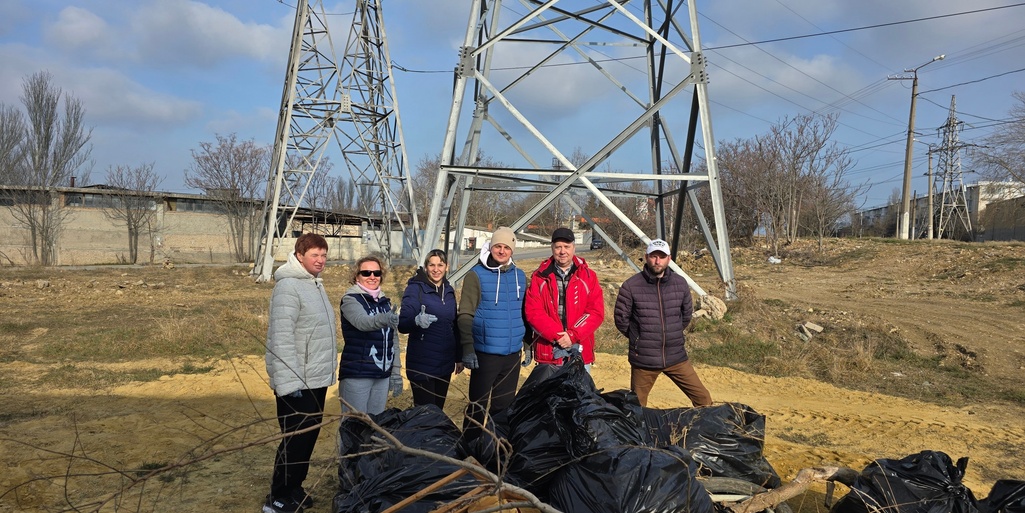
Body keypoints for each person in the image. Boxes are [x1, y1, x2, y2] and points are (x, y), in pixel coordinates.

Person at [264, 233, 335, 513]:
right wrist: (289, 382)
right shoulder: (289, 287)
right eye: (315, 255)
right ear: (300, 255)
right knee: (294, 440)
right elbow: (280, 339)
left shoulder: (314, 284)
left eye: (324, 255)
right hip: (297, 381)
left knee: (307, 438)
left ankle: (294, 488)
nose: (320, 260)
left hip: (315, 378)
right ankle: (278, 496)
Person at [613, 238, 713, 408]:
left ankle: (703, 432)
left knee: (703, 398)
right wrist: (639, 338)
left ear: (669, 258)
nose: (657, 261)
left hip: (676, 357)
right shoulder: (631, 286)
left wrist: (672, 332)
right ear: (646, 257)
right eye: (653, 256)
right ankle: (640, 434)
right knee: (637, 407)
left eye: (661, 256)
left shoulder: (680, 284)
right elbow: (621, 319)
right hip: (644, 360)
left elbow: (686, 315)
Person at [458, 226, 528, 437]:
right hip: (485, 354)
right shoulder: (476, 276)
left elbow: (523, 313)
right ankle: (469, 447)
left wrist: (526, 342)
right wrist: (468, 348)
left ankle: (496, 450)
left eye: (506, 247)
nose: (502, 251)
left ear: (512, 251)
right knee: (477, 407)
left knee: (503, 408)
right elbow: (465, 315)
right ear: (491, 247)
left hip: (511, 355)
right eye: (498, 246)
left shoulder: (520, 277)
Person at [524, 227, 604, 372]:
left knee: (578, 394)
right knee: (549, 394)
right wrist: (557, 336)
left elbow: (595, 312)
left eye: (567, 247)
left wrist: (572, 335)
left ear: (574, 247)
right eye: (558, 247)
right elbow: (533, 312)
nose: (562, 251)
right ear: (552, 248)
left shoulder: (588, 276)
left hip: (579, 351)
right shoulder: (539, 277)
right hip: (549, 352)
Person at [398, 249, 462, 409]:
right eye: (431, 265)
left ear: (447, 267)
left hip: (444, 363)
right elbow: (403, 324)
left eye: (440, 265)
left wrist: (458, 357)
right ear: (426, 267)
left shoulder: (448, 291)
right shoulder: (415, 289)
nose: (436, 269)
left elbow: (454, 325)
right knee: (425, 414)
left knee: (438, 411)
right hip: (422, 364)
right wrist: (416, 321)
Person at [338, 255, 402, 415]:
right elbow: (363, 322)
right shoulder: (350, 300)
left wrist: (395, 371)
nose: (372, 277)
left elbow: (392, 338)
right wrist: (384, 318)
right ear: (356, 276)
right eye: (366, 273)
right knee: (354, 426)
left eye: (376, 273)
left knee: (375, 425)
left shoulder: (384, 302)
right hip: (357, 374)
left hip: (381, 374)